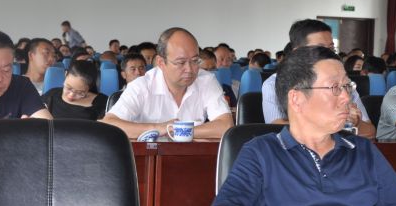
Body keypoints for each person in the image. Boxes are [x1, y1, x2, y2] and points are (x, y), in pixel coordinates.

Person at [205, 46, 396, 206]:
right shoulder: (262, 152)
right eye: (334, 88)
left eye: (347, 87)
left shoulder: (362, 150)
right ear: (296, 99)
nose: (347, 98)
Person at [101, 28, 233, 139]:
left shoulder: (206, 80)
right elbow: (109, 123)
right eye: (181, 62)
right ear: (161, 63)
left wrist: (177, 131)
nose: (190, 69)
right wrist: (158, 128)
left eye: (195, 61)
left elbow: (225, 126)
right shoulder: (142, 86)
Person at [262, 19, 375, 139]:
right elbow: (276, 128)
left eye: (331, 49)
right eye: (319, 48)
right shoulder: (274, 84)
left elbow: (370, 131)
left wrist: (356, 123)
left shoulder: (344, 84)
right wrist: (334, 121)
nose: (328, 54)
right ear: (298, 52)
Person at [42, 61, 108, 120]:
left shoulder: (103, 103)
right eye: (68, 88)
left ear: (89, 87)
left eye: (80, 93)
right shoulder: (52, 95)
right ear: (65, 74)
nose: (71, 96)